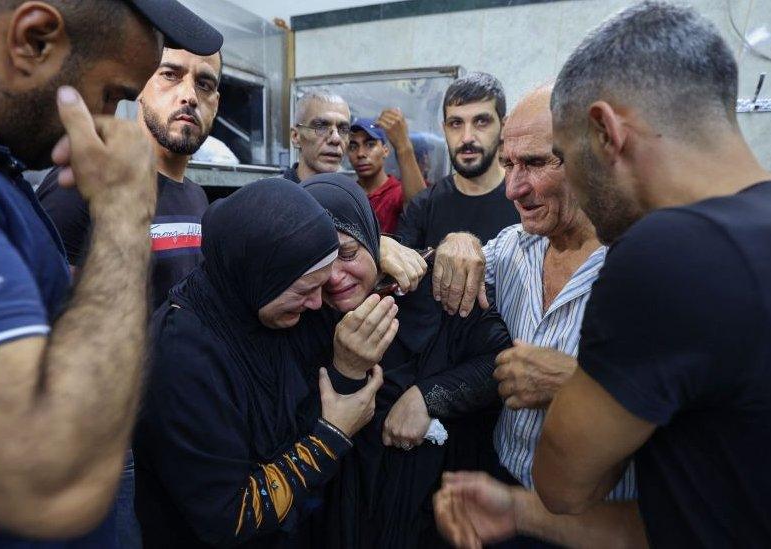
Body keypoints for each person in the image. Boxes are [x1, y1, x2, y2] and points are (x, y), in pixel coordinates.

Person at [0, 0, 221, 546]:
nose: (109, 123)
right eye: (111, 97)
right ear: (33, 40)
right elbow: (52, 482)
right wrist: (127, 213)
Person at [522, 2, 771, 547]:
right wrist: (517, 513)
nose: (570, 184)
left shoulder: (669, 252)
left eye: (562, 156)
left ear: (605, 131)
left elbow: (563, 487)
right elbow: (721, 510)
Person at [133, 179, 402, 548]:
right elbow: (228, 517)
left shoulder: (258, 308)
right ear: (260, 275)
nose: (314, 304)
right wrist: (332, 434)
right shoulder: (183, 360)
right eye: (305, 291)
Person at [429, 86, 643, 548]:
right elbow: (441, 280)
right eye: (509, 164)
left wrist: (578, 385)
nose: (513, 188)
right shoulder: (514, 247)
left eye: (536, 163)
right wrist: (456, 242)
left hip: (604, 525)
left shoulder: (647, 265)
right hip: (503, 491)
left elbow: (694, 417)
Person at [301, 173, 512, 548]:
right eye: (318, 260)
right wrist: (345, 371)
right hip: (341, 507)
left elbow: (501, 361)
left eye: (348, 254)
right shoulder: (302, 309)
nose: (334, 278)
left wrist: (427, 396)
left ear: (372, 239)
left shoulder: (430, 291)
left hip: (431, 508)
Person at [39, 47, 223, 311]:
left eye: (204, 84)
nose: (189, 96)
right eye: (170, 75)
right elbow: (46, 316)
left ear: (215, 103)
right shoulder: (84, 186)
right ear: (140, 86)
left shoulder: (196, 196)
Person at [396, 72, 519, 263]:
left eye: (481, 121)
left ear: (504, 126)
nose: (467, 137)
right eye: (456, 123)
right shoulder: (422, 208)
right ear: (444, 128)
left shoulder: (525, 201)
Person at [348, 110, 426, 233]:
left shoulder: (397, 193)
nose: (360, 154)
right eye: (353, 147)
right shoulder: (348, 194)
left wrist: (403, 146)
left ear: (385, 150)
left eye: (370, 144)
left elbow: (420, 210)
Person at [284, 91, 352, 183]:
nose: (335, 139)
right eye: (320, 127)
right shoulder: (269, 195)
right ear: (295, 136)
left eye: (343, 129)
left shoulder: (352, 195)